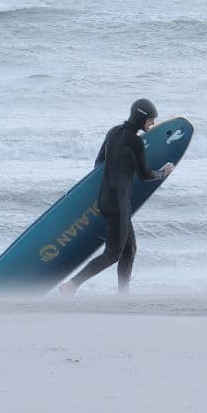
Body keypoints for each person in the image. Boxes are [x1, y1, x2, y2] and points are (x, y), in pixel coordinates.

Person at [59, 99, 174, 295]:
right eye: (151, 120)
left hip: (105, 199)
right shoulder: (135, 141)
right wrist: (163, 172)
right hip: (119, 203)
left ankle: (123, 294)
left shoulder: (113, 133)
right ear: (141, 118)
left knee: (130, 249)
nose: (153, 124)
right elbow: (145, 175)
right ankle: (71, 285)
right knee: (112, 254)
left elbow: (98, 165)